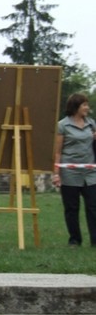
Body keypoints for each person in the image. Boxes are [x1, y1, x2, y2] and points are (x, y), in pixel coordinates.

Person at [52, 93, 96, 247]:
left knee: (93, 206)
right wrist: (56, 174)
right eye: (84, 105)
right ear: (76, 106)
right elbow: (57, 152)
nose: (87, 108)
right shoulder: (63, 125)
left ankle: (95, 240)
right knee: (72, 208)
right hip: (70, 172)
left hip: (90, 172)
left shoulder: (91, 123)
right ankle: (75, 240)